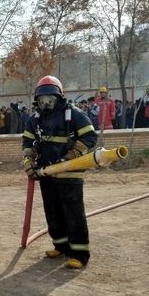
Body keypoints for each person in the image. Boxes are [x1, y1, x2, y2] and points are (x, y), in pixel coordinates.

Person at [22, 75, 98, 269]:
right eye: (42, 100)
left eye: (50, 99)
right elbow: (27, 142)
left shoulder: (74, 114)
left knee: (73, 213)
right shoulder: (35, 120)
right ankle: (61, 246)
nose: (46, 104)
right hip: (47, 173)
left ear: (59, 97)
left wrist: (73, 153)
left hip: (70, 173)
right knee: (52, 212)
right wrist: (28, 160)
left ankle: (79, 254)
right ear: (37, 101)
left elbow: (90, 136)